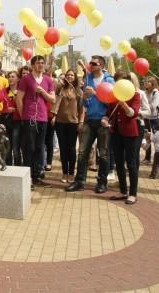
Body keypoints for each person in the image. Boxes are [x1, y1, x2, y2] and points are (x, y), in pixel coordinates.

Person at [67, 56, 114, 193]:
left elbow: (112, 103)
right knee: (82, 152)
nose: (91, 65)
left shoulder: (109, 80)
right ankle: (79, 181)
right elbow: (84, 104)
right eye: (90, 63)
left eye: (94, 63)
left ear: (101, 65)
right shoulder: (87, 79)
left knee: (103, 154)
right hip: (90, 119)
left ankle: (102, 183)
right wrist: (85, 98)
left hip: (103, 121)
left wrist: (96, 93)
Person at [17, 55, 56, 187]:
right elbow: (19, 99)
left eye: (42, 63)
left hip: (43, 117)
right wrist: (24, 115)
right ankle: (27, 177)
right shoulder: (26, 79)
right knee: (29, 147)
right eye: (38, 63)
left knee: (40, 147)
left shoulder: (48, 80)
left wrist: (43, 92)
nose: (40, 65)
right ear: (33, 65)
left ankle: (37, 175)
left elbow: (53, 99)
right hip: (29, 117)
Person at [107, 71, 143, 205]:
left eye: (121, 81)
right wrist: (105, 119)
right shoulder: (115, 95)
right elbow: (109, 112)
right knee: (119, 162)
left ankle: (133, 193)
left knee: (131, 163)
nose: (118, 84)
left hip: (130, 133)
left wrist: (124, 104)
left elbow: (133, 113)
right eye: (117, 81)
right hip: (116, 132)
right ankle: (123, 191)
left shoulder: (135, 95)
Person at [53, 68, 83, 183]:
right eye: (68, 75)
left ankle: (71, 173)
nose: (70, 77)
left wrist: (81, 121)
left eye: (72, 75)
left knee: (71, 149)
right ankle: (64, 173)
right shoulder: (61, 89)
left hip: (73, 123)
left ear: (75, 77)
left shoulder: (78, 91)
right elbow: (56, 103)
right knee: (63, 148)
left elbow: (81, 109)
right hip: (60, 122)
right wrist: (54, 116)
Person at [0, 70, 22, 166]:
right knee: (7, 146)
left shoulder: (21, 91)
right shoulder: (5, 90)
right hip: (6, 120)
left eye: (13, 77)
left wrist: (16, 109)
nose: (10, 78)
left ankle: (18, 168)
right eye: (9, 77)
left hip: (17, 121)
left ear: (18, 78)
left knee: (16, 147)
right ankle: (8, 166)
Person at [141, 77, 159, 164]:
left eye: (148, 82)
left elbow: (154, 105)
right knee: (147, 137)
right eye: (145, 81)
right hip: (146, 118)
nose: (146, 83)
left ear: (152, 83)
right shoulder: (144, 93)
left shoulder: (155, 93)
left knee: (156, 138)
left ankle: (158, 158)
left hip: (154, 119)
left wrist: (145, 107)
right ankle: (147, 158)